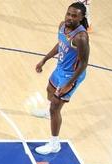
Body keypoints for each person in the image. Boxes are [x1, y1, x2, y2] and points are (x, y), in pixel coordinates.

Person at [31, 2, 90, 155]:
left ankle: (54, 144)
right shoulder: (62, 26)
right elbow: (60, 45)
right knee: (49, 90)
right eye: (68, 14)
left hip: (72, 75)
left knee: (55, 107)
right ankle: (49, 113)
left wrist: (69, 83)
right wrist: (44, 59)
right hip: (60, 69)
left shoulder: (81, 37)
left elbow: (83, 64)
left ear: (81, 18)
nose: (70, 17)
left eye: (74, 16)